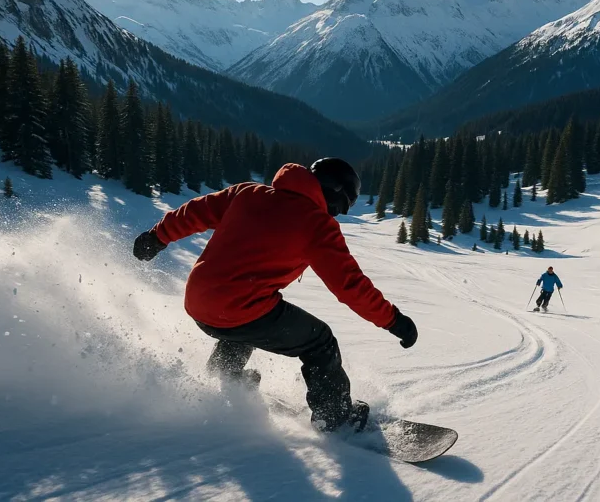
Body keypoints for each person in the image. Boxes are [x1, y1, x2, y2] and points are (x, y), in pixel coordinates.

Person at [132, 159, 417, 433]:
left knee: (251, 320)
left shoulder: (247, 192)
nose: (337, 215)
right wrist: (393, 320)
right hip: (238, 309)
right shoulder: (316, 225)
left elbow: (195, 211)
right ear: (335, 193)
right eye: (342, 207)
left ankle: (225, 377)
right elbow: (350, 285)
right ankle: (336, 419)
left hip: (198, 301)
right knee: (320, 341)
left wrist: (157, 237)